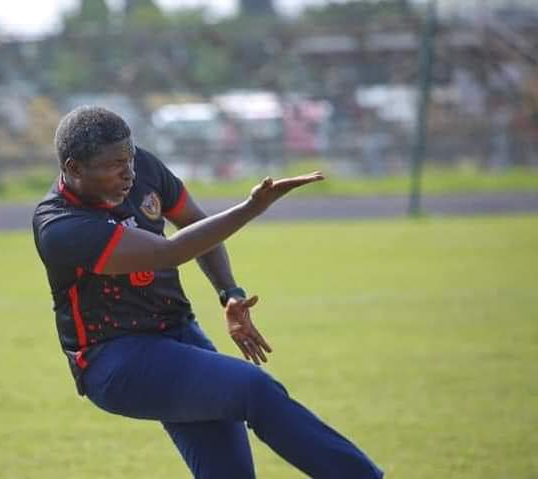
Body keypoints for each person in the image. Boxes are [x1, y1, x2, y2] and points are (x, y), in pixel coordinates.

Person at [33, 106, 383, 479]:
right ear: (73, 169)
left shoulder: (143, 171)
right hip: (116, 361)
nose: (129, 173)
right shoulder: (60, 226)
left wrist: (229, 292)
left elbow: (194, 224)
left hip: (180, 338)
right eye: (114, 164)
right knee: (255, 390)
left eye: (131, 158)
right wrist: (252, 208)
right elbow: (172, 251)